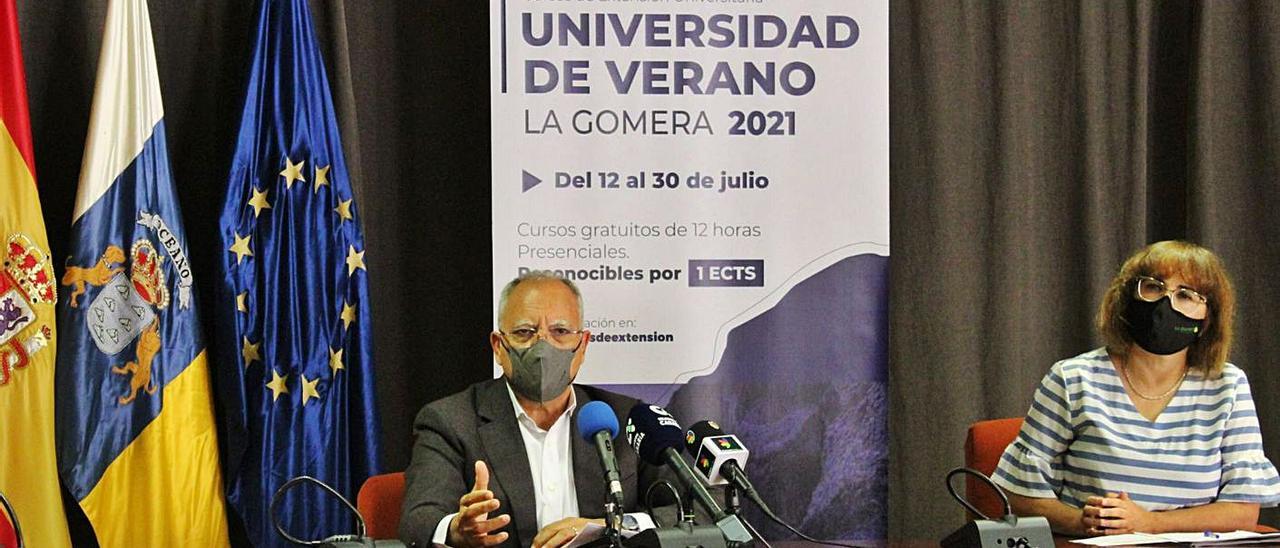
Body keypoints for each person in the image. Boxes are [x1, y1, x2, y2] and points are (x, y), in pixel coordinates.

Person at [993, 240, 1280, 535]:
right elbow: (1016, 494)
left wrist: (1149, 523)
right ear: (1128, 298)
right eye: (1154, 287)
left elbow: (1243, 511)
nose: (1165, 305)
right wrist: (1083, 521)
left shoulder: (1228, 386)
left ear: (1207, 318)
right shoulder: (1072, 378)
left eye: (1186, 295)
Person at [399, 272, 669, 548]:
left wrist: (616, 525)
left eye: (560, 332)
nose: (543, 347)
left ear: (583, 345)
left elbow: (700, 508)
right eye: (524, 332)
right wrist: (457, 530)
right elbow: (419, 520)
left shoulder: (625, 419)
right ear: (498, 347)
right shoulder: (451, 422)